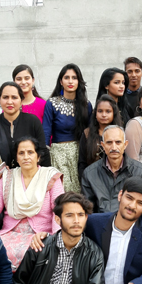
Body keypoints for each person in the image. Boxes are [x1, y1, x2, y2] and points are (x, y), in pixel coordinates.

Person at [0, 136, 63, 271]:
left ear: (38, 157)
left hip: (40, 234)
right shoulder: (8, 177)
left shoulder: (50, 177)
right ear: (17, 158)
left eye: (30, 152)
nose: (26, 157)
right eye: (21, 153)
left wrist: (55, 238)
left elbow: (59, 210)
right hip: (10, 232)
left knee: (33, 252)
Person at [0, 82, 50, 197]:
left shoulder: (32, 121)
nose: (9, 102)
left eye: (14, 97)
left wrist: (43, 182)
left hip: (30, 185)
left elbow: (43, 152)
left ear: (21, 100)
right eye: (5, 97)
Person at [43, 63, 92, 192]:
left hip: (79, 153)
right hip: (58, 153)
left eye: (74, 78)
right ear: (61, 81)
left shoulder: (86, 105)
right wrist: (45, 160)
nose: (70, 81)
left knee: (81, 190)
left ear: (79, 81)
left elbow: (89, 132)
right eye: (67, 77)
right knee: (62, 191)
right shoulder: (52, 103)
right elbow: (46, 131)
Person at [81, 125, 142, 213]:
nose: (114, 148)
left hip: (131, 223)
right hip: (101, 223)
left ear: (125, 144)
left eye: (118, 142)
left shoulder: (141, 171)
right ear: (103, 145)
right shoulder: (90, 173)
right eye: (109, 142)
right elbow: (87, 209)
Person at [78, 94, 124, 178]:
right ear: (95, 113)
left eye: (108, 111)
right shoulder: (87, 134)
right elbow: (82, 163)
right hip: (92, 179)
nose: (103, 115)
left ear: (114, 113)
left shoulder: (120, 133)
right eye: (100, 111)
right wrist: (85, 181)